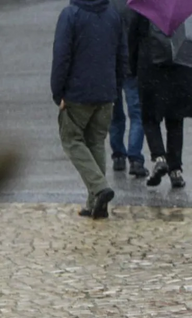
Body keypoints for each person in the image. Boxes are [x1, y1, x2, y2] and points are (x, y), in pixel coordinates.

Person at [50, 0, 127, 219]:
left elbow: (61, 56)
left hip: (77, 93)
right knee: (95, 142)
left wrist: (58, 92)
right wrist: (115, 87)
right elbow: (122, 55)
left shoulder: (70, 15)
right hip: (106, 92)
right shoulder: (113, 14)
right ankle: (97, 204)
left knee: (72, 140)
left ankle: (99, 188)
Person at [129, 14, 192, 189]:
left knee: (150, 119)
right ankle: (175, 170)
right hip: (179, 70)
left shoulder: (144, 9)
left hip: (151, 70)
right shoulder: (183, 8)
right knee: (175, 121)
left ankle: (159, 157)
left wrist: (132, 68)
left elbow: (133, 41)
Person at [107, 0, 146, 178]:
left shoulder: (106, 7)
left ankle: (118, 155)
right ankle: (135, 157)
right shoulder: (137, 5)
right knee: (136, 114)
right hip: (133, 66)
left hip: (111, 68)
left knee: (115, 114)